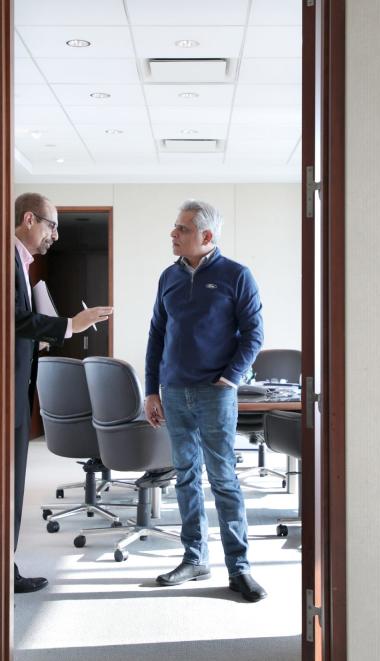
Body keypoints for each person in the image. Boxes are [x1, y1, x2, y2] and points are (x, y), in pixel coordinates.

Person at [143, 199, 267, 602]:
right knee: (186, 477)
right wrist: (151, 390)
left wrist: (231, 377)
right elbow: (156, 337)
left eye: (181, 228)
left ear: (206, 236)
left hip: (216, 394)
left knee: (225, 481)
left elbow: (253, 334)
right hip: (175, 392)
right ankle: (195, 557)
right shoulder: (168, 277)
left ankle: (239, 568)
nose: (173, 234)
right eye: (175, 227)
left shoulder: (237, 275)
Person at [13, 192, 112, 593]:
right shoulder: (6, 259)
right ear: (30, 218)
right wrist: (72, 324)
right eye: (52, 225)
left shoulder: (22, 263)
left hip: (19, 383)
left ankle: (7, 565)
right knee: (10, 482)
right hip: (9, 390)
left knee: (14, 480)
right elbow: (17, 319)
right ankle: (5, 569)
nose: (55, 234)